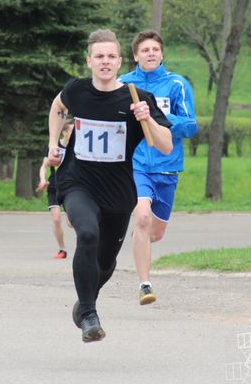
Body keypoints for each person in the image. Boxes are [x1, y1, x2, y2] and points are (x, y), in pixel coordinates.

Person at [47, 29, 172, 343]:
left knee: (105, 263)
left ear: (119, 61)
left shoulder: (137, 98)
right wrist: (53, 144)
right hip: (78, 182)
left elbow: (166, 145)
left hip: (118, 191)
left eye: (111, 56)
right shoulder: (76, 90)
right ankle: (89, 314)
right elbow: (57, 107)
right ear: (89, 61)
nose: (105, 61)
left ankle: (85, 300)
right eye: (99, 56)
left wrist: (148, 119)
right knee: (87, 233)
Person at [118, 30, 197, 306]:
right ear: (135, 56)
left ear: (162, 53)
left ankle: (139, 237)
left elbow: (190, 125)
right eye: (145, 50)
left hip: (167, 167)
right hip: (136, 164)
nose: (150, 54)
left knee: (155, 233)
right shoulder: (124, 84)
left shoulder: (177, 84)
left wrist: (157, 116)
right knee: (141, 217)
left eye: (155, 49)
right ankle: (144, 284)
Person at [36, 120, 75, 259]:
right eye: (71, 130)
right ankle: (62, 249)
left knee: (72, 222)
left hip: (70, 188)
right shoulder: (54, 147)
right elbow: (44, 166)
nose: (74, 133)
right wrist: (42, 180)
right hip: (54, 188)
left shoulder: (77, 147)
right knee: (56, 219)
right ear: (64, 131)